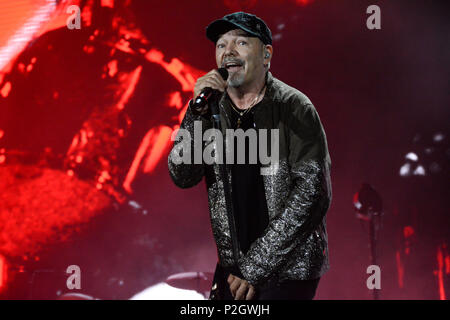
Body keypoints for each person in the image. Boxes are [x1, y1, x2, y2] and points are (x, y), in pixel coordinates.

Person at [168, 12, 332, 300]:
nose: (228, 52)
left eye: (241, 43)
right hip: (234, 270)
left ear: (266, 54)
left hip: (287, 271)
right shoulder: (210, 109)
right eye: (221, 45)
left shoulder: (294, 107)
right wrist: (196, 114)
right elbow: (182, 174)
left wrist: (254, 268)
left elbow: (312, 193)